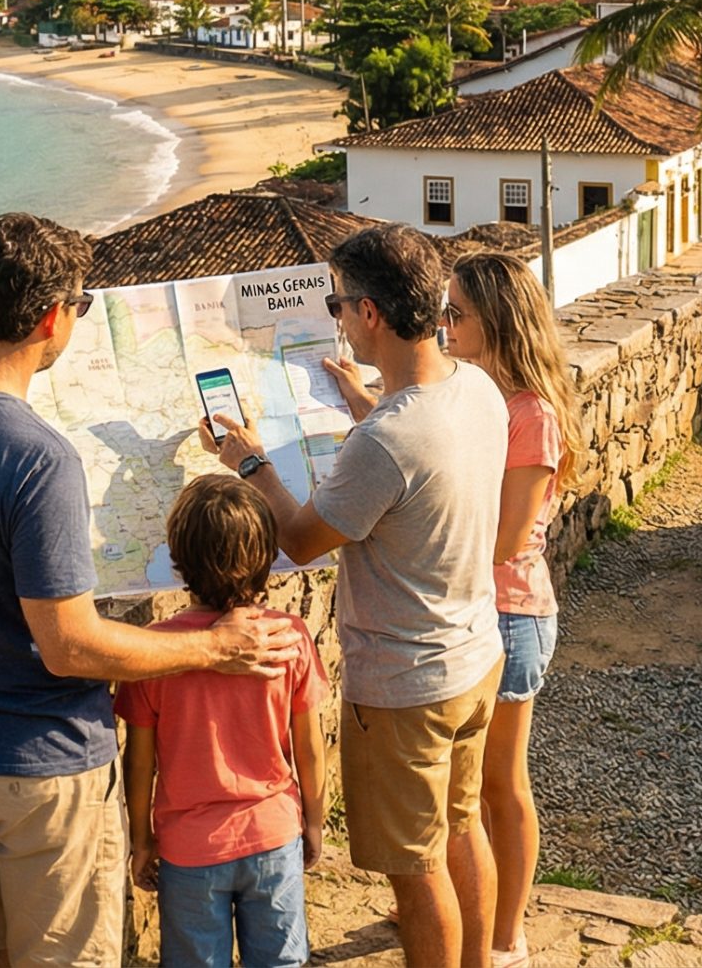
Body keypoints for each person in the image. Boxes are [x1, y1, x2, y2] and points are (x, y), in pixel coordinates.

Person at [0, 212, 303, 968]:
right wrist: (214, 643)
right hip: (39, 764)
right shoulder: (39, 457)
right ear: (53, 316)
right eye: (78, 308)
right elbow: (69, 644)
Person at [202, 224, 509, 968]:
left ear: (370, 312)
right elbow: (418, 458)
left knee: (416, 866)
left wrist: (250, 463)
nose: (336, 317)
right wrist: (368, 402)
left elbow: (302, 539)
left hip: (406, 687)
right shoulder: (477, 387)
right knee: (463, 826)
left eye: (339, 303)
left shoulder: (386, 440)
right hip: (475, 656)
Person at [119, 475, 328, 968]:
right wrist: (314, 821)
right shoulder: (288, 637)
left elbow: (140, 760)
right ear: (267, 556)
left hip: (190, 850)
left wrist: (141, 839)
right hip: (274, 836)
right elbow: (310, 747)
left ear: (179, 558)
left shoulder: (155, 651)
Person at [441, 252, 575, 968]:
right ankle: (466, 916)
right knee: (460, 788)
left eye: (456, 312)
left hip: (512, 613)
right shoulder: (474, 393)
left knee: (500, 783)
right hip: (473, 608)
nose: (444, 325)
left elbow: (507, 535)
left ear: (494, 319)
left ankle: (506, 934)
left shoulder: (533, 414)